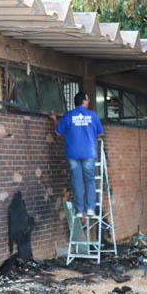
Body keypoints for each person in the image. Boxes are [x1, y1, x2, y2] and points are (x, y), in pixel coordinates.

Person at [49, 91, 104, 219]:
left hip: (72, 153)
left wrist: (54, 119)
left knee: (77, 182)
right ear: (84, 101)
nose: (89, 102)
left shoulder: (68, 115)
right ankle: (90, 209)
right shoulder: (93, 115)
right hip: (88, 153)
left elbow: (58, 132)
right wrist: (90, 135)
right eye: (88, 99)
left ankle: (79, 210)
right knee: (90, 180)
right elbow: (100, 133)